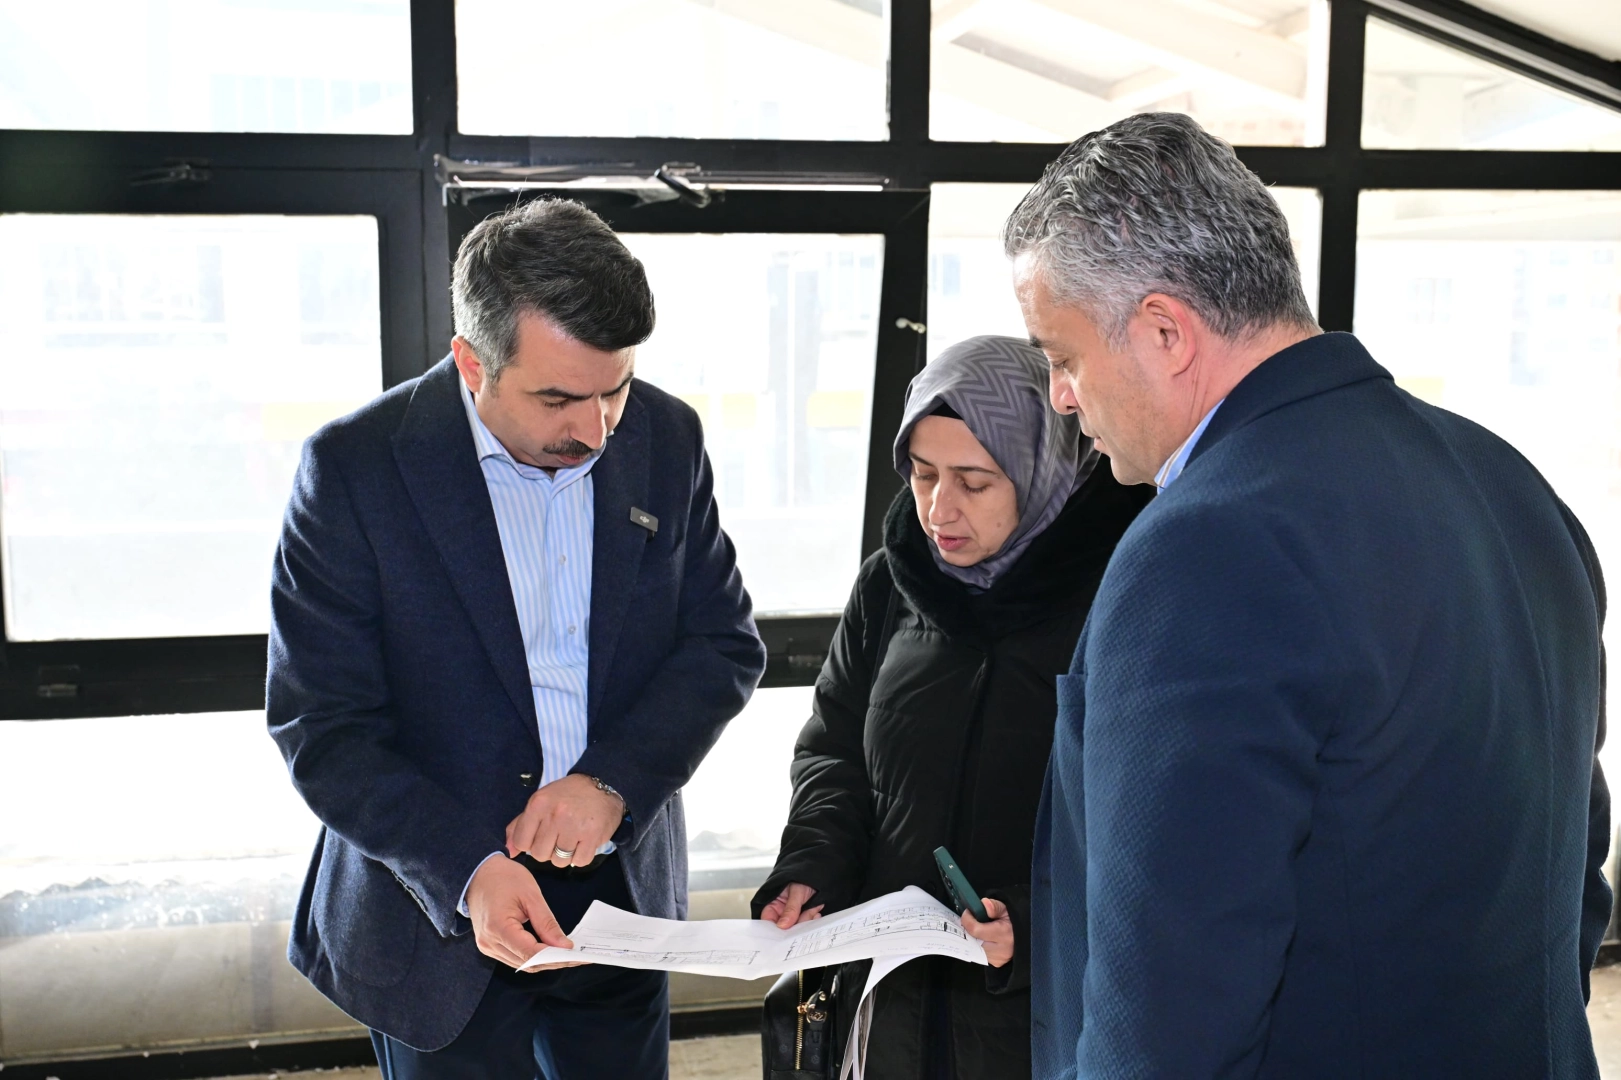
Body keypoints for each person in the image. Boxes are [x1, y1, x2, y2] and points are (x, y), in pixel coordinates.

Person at [1005, 112, 1610, 1079]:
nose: (1061, 397)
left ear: (1164, 331)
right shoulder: (1507, 482)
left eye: (1063, 357)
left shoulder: (1203, 547)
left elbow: (1171, 1012)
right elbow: (1571, 864)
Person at [266, 198, 766, 1078]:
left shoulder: (666, 436)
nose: (596, 430)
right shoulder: (354, 469)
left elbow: (720, 643)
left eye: (615, 388)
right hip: (434, 909)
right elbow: (323, 725)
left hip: (618, 895)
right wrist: (466, 870)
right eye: (558, 398)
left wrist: (612, 782)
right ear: (472, 361)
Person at [753, 335, 1154, 1079]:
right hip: (892, 995)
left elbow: (1149, 813)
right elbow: (835, 751)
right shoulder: (891, 584)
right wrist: (813, 864)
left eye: (974, 482)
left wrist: (1033, 922)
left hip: (1043, 1007)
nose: (940, 508)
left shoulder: (1122, 591)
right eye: (922, 473)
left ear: (1042, 469)